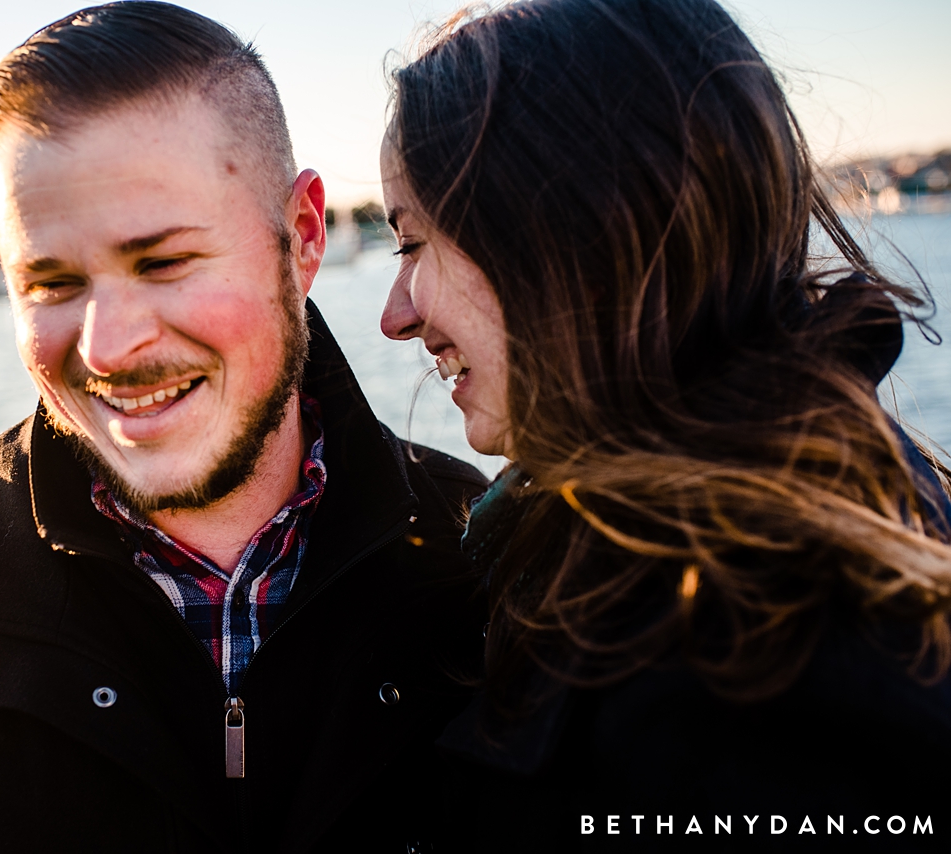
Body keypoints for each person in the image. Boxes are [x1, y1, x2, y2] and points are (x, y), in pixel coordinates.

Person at [0, 4, 488, 851]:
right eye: (51, 283)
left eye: (164, 262)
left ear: (300, 238)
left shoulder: (487, 561)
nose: (107, 346)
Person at [379, 0, 951, 849]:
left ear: (567, 229)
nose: (393, 316)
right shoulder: (624, 541)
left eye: (412, 245)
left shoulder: (753, 649)